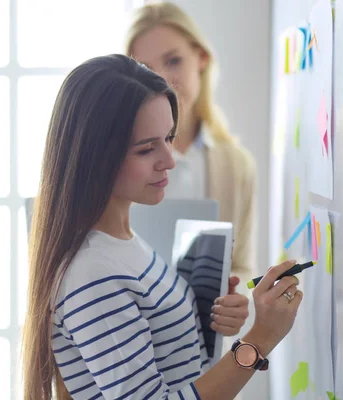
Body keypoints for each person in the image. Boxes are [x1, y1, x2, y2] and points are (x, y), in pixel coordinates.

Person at [21, 54, 303, 400]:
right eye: (146, 149)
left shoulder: (121, 242)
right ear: (94, 156)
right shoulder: (94, 272)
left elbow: (173, 365)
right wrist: (260, 339)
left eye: (168, 138)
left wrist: (211, 319)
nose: (169, 160)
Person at [125, 2, 257, 283]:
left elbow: (242, 268)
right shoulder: (113, 160)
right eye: (145, 69)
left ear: (201, 58)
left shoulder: (236, 166)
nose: (161, 81)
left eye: (173, 61)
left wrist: (235, 300)